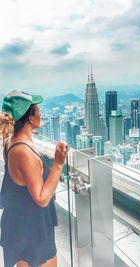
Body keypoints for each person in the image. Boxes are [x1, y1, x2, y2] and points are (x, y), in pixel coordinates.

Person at [0, 90, 70, 267]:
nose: (40, 114)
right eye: (37, 110)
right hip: (31, 230)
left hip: (22, 223)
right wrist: (58, 163)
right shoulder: (23, 152)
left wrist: (29, 135)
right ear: (30, 118)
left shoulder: (11, 140)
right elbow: (41, 198)